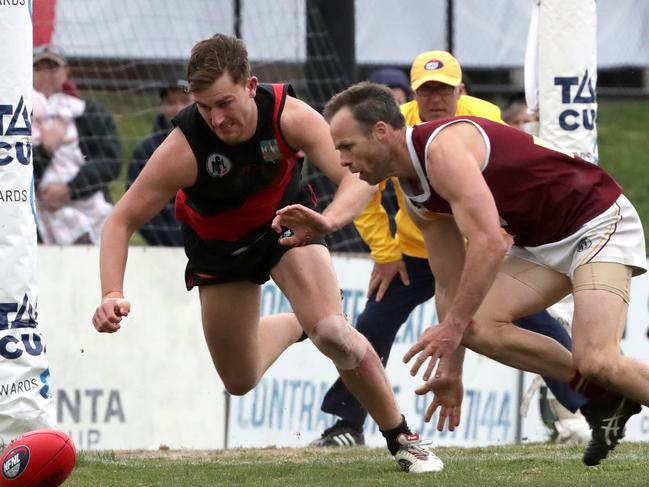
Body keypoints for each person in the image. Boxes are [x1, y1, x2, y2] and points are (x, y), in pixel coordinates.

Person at [90, 34, 443, 474]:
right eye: (203, 107)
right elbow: (119, 221)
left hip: (287, 229)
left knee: (333, 331)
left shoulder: (290, 116)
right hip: (220, 252)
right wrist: (110, 293)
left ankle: (403, 439)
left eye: (224, 103)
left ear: (250, 85)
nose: (216, 118)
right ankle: (300, 321)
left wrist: (328, 220)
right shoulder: (184, 147)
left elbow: (362, 178)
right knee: (239, 380)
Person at [316, 81, 646, 466]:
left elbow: (490, 243)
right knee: (476, 326)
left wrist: (452, 328)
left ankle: (603, 383)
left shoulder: (441, 152)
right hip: (543, 242)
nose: (340, 161)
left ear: (381, 132)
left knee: (599, 361)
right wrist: (452, 370)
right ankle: (608, 395)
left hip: (596, 220)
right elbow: (449, 283)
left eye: (346, 146)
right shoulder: (414, 188)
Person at [32, 44, 121, 245]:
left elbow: (111, 162)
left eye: (53, 67)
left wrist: (70, 189)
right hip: (36, 215)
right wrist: (46, 148)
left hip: (88, 204)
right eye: (39, 68)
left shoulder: (89, 112)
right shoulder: (18, 118)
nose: (47, 74)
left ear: (66, 72)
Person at [126, 75, 193, 246]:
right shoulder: (145, 151)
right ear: (162, 107)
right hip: (162, 248)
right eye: (171, 102)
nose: (178, 108)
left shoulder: (216, 144)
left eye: (185, 100)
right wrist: (168, 242)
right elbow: (135, 206)